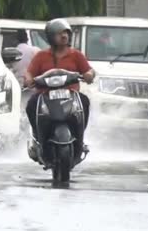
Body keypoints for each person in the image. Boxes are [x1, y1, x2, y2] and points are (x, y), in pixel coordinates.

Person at [24, 18, 95, 160]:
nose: (64, 36)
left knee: (85, 102)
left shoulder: (76, 55)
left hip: (71, 95)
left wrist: (88, 75)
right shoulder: (41, 56)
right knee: (31, 104)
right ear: (51, 36)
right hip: (45, 95)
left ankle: (80, 137)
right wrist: (28, 79)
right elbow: (30, 72)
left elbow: (89, 70)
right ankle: (37, 138)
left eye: (66, 33)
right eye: (59, 33)